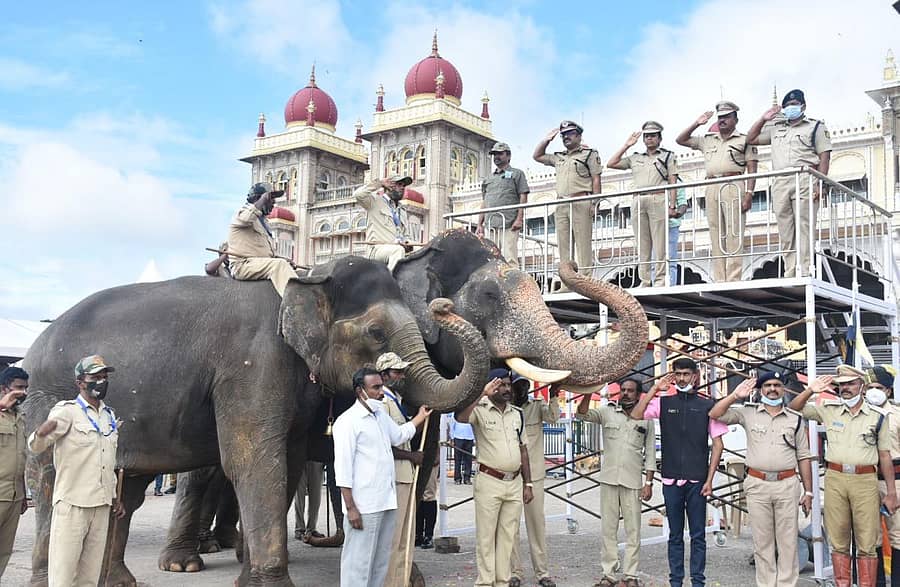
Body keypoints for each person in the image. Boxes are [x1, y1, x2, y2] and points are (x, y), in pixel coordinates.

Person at [788, 365, 897, 587]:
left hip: (865, 479)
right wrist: (811, 390)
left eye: (851, 383)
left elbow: (884, 456)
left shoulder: (878, 416)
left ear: (862, 387)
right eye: (842, 384)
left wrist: (892, 492)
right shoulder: (829, 409)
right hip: (836, 478)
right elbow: (794, 408)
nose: (846, 388)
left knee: (867, 542)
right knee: (838, 540)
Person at [707, 373, 813, 587]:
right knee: (762, 541)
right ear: (760, 389)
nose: (772, 389)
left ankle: (786, 584)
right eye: (767, 385)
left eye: (777, 385)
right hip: (757, 484)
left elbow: (803, 456)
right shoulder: (748, 413)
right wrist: (735, 394)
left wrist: (808, 491)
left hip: (787, 483)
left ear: (783, 389)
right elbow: (715, 413)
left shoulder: (795, 418)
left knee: (787, 540)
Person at [27, 355, 125, 587]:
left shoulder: (108, 415)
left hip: (101, 505)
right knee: (63, 575)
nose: (101, 382)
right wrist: (40, 434)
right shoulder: (67, 412)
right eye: (95, 378)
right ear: (80, 382)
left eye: (104, 377)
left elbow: (106, 460)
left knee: (90, 576)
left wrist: (114, 496)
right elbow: (37, 446)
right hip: (73, 505)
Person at [630, 360, 727, 587]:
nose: (682, 378)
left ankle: (698, 582)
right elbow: (636, 415)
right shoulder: (663, 403)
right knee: (674, 535)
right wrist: (655, 388)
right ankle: (676, 582)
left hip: (697, 480)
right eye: (678, 374)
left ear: (695, 376)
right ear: (673, 376)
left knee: (698, 535)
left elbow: (718, 444)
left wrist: (710, 479)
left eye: (686, 374)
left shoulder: (707, 405)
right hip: (671, 478)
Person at [333, 366, 431, 587]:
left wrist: (419, 418)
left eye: (381, 386)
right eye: (376, 387)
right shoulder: (348, 422)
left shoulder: (379, 416)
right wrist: (350, 508)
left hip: (386, 501)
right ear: (360, 391)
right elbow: (343, 469)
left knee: (379, 564)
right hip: (364, 506)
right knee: (358, 565)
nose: (381, 392)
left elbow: (399, 435)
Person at [575, 378, 657, 587]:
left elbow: (650, 453)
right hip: (609, 479)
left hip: (632, 481)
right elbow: (582, 414)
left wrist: (649, 482)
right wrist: (588, 391)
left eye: (631, 391)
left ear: (639, 394)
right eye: (623, 390)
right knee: (608, 529)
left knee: (633, 530)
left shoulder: (646, 418)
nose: (626, 393)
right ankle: (609, 573)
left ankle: (630, 574)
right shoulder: (607, 411)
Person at [456, 369, 534, 587]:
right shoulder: (479, 410)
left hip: (515, 482)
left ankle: (502, 581)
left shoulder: (517, 413)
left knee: (508, 537)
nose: (507, 389)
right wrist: (482, 393)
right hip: (489, 481)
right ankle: (485, 582)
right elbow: (461, 417)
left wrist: (528, 483)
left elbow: (524, 450)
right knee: (486, 537)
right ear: (491, 386)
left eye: (508, 385)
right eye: (501, 385)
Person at [747, 89, 832, 278]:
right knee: (785, 228)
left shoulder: (815, 126)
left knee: (804, 224)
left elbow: (824, 156)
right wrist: (763, 118)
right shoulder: (777, 127)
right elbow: (750, 138)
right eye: (787, 106)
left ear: (803, 106)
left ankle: (805, 268)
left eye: (794, 105)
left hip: (804, 177)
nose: (790, 109)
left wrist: (820, 183)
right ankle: (790, 270)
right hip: (780, 181)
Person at [676, 101, 759, 282]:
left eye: (726, 117)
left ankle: (733, 278)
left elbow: (752, 168)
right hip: (712, 185)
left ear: (735, 119)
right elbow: (680, 140)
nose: (722, 121)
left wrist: (750, 193)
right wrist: (697, 123)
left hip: (733, 183)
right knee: (715, 232)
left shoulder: (745, 140)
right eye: (720, 117)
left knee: (734, 232)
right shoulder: (708, 139)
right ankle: (720, 278)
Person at [608, 121, 680, 287]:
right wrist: (627, 144)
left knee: (660, 243)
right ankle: (645, 280)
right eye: (647, 136)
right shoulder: (635, 158)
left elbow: (673, 180)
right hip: (638, 200)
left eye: (653, 135)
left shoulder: (667, 156)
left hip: (658, 198)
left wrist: (672, 205)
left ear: (659, 138)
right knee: (642, 243)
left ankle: (661, 280)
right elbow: (611, 163)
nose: (649, 139)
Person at [533, 120, 603, 287]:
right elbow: (537, 156)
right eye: (563, 135)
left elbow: (596, 178)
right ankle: (567, 283)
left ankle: (585, 281)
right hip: (562, 203)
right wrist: (546, 140)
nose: (566, 137)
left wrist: (595, 202)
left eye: (570, 134)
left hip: (581, 200)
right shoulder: (559, 157)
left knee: (583, 243)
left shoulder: (589, 154)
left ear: (579, 136)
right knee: (564, 246)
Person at [377, 352, 424, 587]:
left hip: (405, 476)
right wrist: (411, 455)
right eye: (397, 371)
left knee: (406, 538)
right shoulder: (382, 403)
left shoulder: (395, 399)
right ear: (384, 375)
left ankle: (402, 581)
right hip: (394, 476)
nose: (402, 375)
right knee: (394, 540)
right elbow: (386, 443)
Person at [509, 375, 560, 587]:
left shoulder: (537, 406)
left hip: (535, 475)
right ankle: (515, 572)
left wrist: (554, 395)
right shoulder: (505, 409)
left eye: (525, 385)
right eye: (517, 385)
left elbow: (554, 417)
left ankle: (542, 572)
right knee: (510, 527)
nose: (522, 389)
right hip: (511, 475)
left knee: (537, 525)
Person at [226, 182, 301, 295]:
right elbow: (246, 218)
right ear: (258, 198)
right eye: (271, 198)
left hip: (257, 263)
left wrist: (284, 259)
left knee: (285, 265)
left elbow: (265, 254)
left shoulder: (263, 222)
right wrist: (263, 199)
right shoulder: (241, 214)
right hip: (243, 265)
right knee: (278, 265)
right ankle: (296, 300)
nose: (274, 202)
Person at [862, 364, 899, 586]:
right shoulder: (859, 412)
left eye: (877, 387)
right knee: (869, 536)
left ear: (888, 391)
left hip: (894, 480)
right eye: (869, 387)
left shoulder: (897, 414)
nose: (872, 391)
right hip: (865, 480)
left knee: (898, 536)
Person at [476, 142, 531, 263]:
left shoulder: (517, 174)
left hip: (509, 223)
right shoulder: (488, 179)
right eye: (494, 154)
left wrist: (519, 219)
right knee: (491, 259)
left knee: (509, 257)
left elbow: (523, 195)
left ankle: (511, 282)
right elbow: (485, 201)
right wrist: (480, 224)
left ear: (508, 155)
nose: (496, 157)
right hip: (491, 225)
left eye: (500, 153)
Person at [0, 366, 28, 579]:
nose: (23, 393)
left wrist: (24, 494)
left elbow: (21, 457)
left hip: (14, 496)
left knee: (4, 552)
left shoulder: (20, 417)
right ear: (4, 389)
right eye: (18, 388)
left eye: (26, 388)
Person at [353, 175, 414, 271]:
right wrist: (380, 183)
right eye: (399, 184)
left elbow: (406, 235)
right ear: (388, 186)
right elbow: (358, 194)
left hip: (398, 248)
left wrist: (408, 243)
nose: (402, 188)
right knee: (398, 251)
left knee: (424, 251)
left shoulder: (402, 210)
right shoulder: (374, 201)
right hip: (377, 249)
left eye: (403, 185)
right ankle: (389, 282)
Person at [293, 461, 324, 540]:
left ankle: (311, 528)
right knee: (299, 496)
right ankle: (300, 529)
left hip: (317, 459)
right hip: (299, 458)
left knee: (316, 497)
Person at [415, 459, 439, 549]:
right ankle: (418, 534)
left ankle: (428, 535)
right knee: (418, 495)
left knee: (428, 494)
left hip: (429, 456)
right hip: (416, 456)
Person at [450, 414, 475, 485]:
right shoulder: (457, 411)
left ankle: (467, 478)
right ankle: (457, 478)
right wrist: (452, 437)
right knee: (457, 459)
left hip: (469, 437)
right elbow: (452, 424)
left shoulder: (471, 411)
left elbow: (475, 425)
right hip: (458, 436)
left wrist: (475, 439)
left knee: (468, 459)